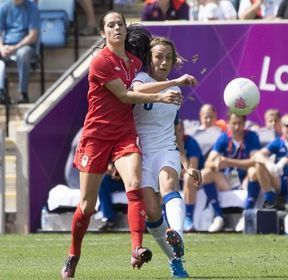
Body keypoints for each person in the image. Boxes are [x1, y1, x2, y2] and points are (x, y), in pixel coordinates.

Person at [60, 11, 183, 279]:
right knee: (86, 206)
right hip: (96, 136)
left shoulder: (135, 63)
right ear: (103, 33)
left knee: (135, 184)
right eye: (111, 25)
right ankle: (73, 255)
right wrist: (168, 89)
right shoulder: (100, 61)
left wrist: (163, 81)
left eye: (120, 24)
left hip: (124, 135)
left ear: (126, 31)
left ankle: (137, 248)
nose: (117, 28)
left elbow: (143, 83)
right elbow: (126, 96)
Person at [130, 35, 201, 278]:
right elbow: (138, 91)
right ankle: (175, 261)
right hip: (140, 155)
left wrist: (186, 165)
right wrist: (175, 81)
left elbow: (174, 131)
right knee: (152, 212)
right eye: (159, 57)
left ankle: (178, 234)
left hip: (166, 150)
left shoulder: (174, 89)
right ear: (149, 60)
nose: (164, 62)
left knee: (169, 182)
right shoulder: (141, 79)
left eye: (168, 58)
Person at [200, 112, 262, 232]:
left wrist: (228, 161)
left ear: (245, 123)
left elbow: (255, 161)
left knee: (254, 170)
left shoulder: (252, 136)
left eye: (240, 123)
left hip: (246, 179)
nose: (237, 127)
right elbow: (208, 163)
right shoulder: (223, 138)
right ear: (228, 124)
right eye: (234, 123)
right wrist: (217, 164)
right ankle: (218, 216)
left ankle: (246, 214)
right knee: (206, 173)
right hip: (228, 180)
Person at [253, 113, 288, 210]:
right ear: (282, 127)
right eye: (287, 125)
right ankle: (270, 200)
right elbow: (257, 155)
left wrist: (285, 160)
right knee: (259, 164)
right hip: (280, 182)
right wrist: (268, 163)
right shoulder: (278, 142)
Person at [0, 0, 40, 104]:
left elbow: (33, 36)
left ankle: (23, 93)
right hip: (6, 46)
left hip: (25, 46)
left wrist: (15, 47)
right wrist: (2, 47)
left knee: (23, 54)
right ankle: (1, 92)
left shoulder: (32, 7)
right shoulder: (4, 7)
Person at [175, 119, 205, 232]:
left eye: (180, 130)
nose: (178, 133)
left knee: (189, 177)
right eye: (176, 130)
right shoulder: (166, 143)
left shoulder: (191, 142)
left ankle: (188, 217)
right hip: (176, 180)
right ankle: (163, 216)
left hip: (198, 181)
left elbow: (193, 169)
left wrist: (176, 172)